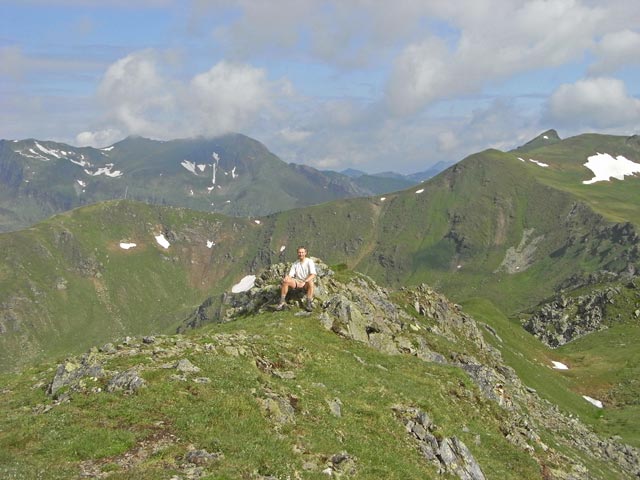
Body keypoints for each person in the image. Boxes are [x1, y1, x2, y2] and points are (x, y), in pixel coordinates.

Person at [276, 246, 316, 311]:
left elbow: (313, 274)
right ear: (297, 253)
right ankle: (282, 301)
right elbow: (291, 275)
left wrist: (305, 281)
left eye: (302, 252)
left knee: (311, 282)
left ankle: (308, 303)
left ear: (305, 253)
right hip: (297, 282)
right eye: (299, 252)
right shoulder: (295, 263)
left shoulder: (309, 261)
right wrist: (286, 278)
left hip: (306, 282)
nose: (301, 254)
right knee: (286, 281)